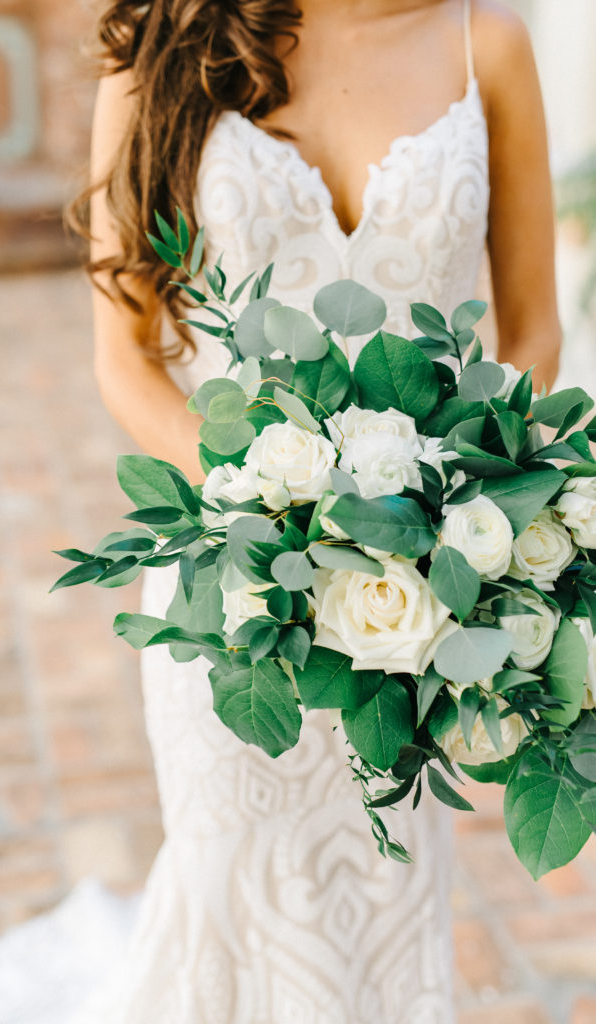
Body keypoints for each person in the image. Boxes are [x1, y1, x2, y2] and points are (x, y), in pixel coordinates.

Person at [81, 1, 561, 1020]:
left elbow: (528, 328)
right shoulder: (161, 48)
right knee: (230, 886)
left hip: (416, 597)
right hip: (234, 585)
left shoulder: (486, 43)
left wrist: (460, 515)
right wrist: (275, 502)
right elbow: (123, 357)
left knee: (384, 894)